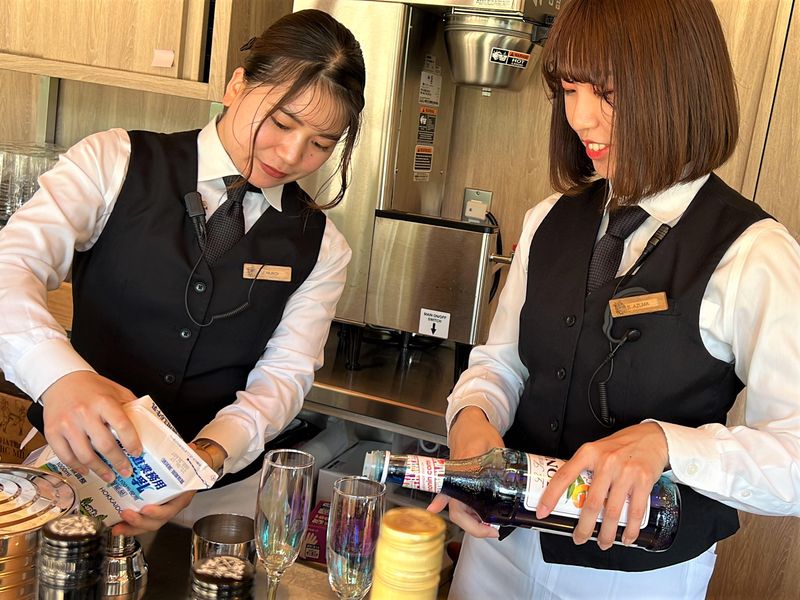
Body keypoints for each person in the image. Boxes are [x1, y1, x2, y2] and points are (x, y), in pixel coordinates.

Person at [428, 0, 800, 598]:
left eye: (606, 92)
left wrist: (667, 443)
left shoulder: (755, 253)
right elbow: (501, 364)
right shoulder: (548, 220)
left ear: (679, 86)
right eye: (569, 90)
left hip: (637, 578)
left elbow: (795, 458)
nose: (579, 118)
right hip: (496, 554)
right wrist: (472, 422)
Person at [0, 9, 365, 536]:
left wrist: (207, 456)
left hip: (218, 497)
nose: (291, 154)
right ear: (237, 85)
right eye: (281, 122)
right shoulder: (114, 161)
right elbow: (13, 266)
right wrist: (60, 379)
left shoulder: (322, 246)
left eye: (322, 144)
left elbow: (285, 374)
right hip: (73, 462)